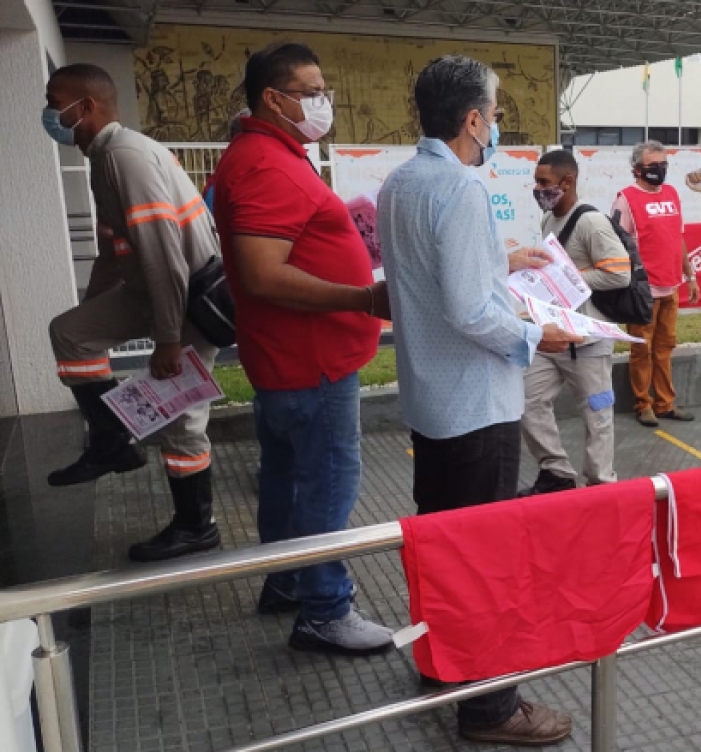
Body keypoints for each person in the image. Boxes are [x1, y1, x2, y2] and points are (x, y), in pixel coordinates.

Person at [376, 54, 578, 746]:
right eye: (493, 115)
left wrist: (504, 262)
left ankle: (444, 664)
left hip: (434, 404)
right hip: (477, 406)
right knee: (487, 559)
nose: (494, 125)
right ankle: (491, 707)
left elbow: (437, 279)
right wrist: (535, 332)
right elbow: (467, 311)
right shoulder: (458, 189)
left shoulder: (402, 182)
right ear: (471, 119)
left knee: (442, 545)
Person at [209, 42, 394, 655]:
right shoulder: (265, 163)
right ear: (274, 98)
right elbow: (264, 274)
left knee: (289, 479)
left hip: (291, 359)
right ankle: (324, 610)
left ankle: (288, 580)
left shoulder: (271, 155)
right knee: (327, 482)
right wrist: (365, 299)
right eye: (312, 91)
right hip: (310, 363)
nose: (323, 101)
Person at [43, 64, 222, 563]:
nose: (50, 113)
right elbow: (116, 249)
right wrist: (94, 306)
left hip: (185, 299)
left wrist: (166, 338)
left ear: (88, 106)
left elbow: (163, 251)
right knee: (71, 333)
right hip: (152, 291)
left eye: (55, 102)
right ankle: (111, 442)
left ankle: (196, 525)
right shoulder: (105, 158)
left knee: (181, 421)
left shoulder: (126, 156)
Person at [520, 150, 632, 495]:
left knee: (597, 415)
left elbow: (620, 273)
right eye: (536, 182)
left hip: (588, 341)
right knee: (526, 401)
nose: (538, 189)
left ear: (567, 182)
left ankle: (600, 484)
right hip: (553, 336)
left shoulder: (592, 223)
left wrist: (570, 277)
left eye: (544, 183)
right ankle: (556, 471)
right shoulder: (549, 220)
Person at [612, 141, 701, 427]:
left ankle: (666, 403)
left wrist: (690, 276)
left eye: (663, 166)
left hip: (671, 286)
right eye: (653, 166)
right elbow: (617, 244)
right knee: (642, 349)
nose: (659, 171)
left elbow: (678, 239)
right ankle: (644, 405)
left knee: (665, 347)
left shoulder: (672, 194)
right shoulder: (626, 199)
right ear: (637, 169)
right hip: (643, 291)